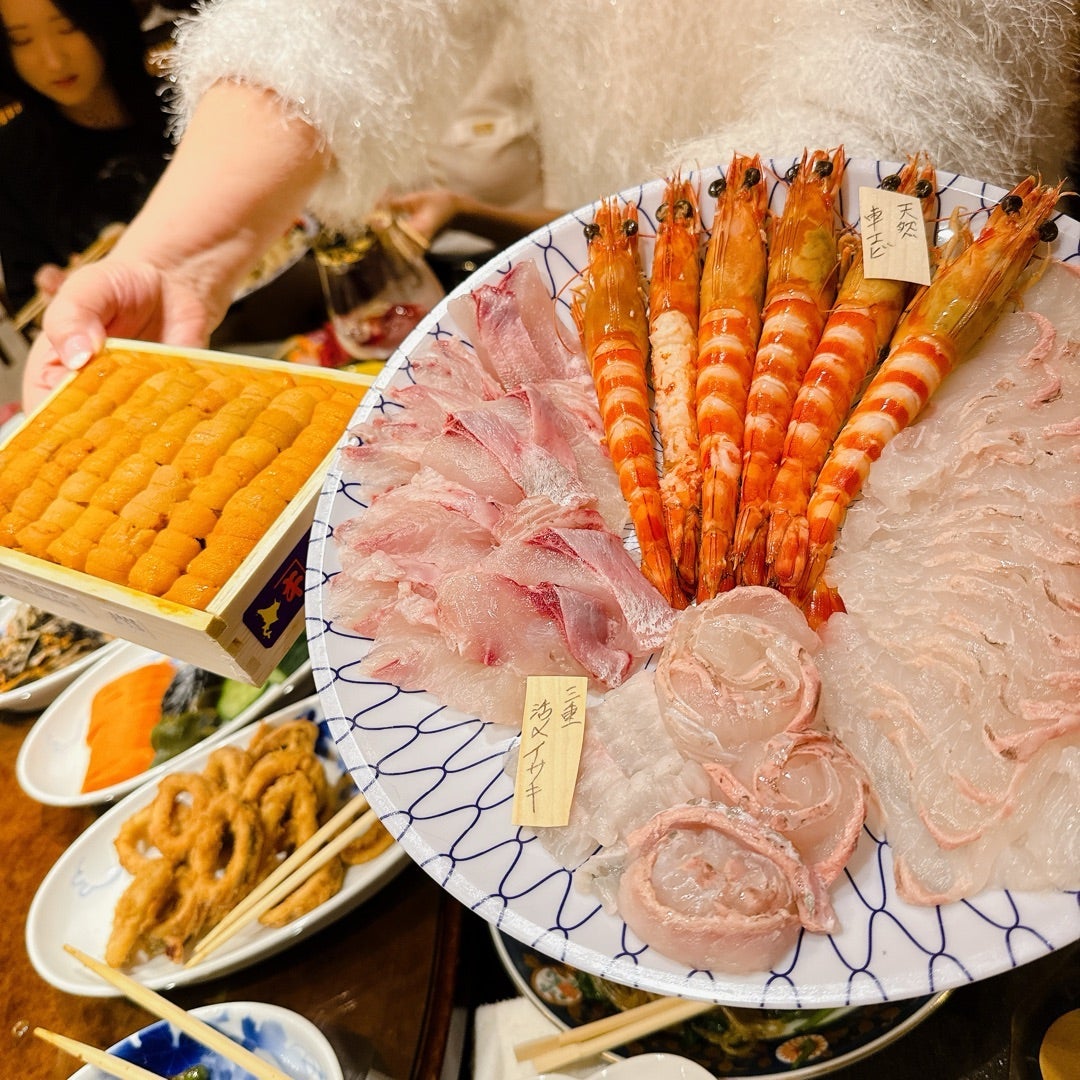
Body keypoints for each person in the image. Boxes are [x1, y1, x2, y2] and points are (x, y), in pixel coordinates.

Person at [23, 0, 1080, 409]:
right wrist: (178, 254)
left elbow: (914, 62)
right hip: (638, 313)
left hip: (903, 295)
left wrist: (692, 338)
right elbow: (357, 15)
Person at [0, 0, 170, 316]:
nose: (53, 61)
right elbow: (29, 303)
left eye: (69, 28)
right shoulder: (11, 158)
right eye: (21, 39)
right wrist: (55, 294)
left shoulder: (180, 98)